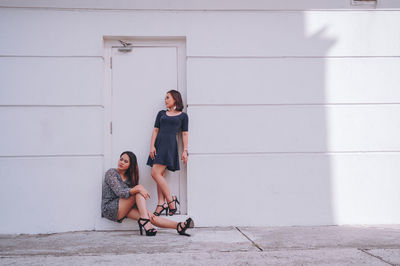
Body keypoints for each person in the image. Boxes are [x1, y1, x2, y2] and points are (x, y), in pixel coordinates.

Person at [101, 151, 194, 236]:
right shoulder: (111, 173)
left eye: (125, 161)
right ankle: (145, 221)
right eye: (121, 159)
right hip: (109, 208)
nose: (121, 162)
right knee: (139, 191)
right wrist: (138, 188)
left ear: (130, 165)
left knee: (150, 216)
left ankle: (178, 226)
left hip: (122, 209)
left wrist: (145, 211)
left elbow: (132, 199)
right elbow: (120, 192)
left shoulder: (129, 178)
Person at [146, 90, 189, 216]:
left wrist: (185, 151)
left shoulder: (183, 116)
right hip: (159, 144)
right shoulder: (161, 113)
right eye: (165, 98)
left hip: (170, 145)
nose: (165, 100)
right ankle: (161, 203)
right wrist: (152, 146)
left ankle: (170, 200)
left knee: (155, 173)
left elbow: (185, 134)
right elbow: (155, 130)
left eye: (167, 98)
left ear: (175, 99)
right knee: (159, 174)